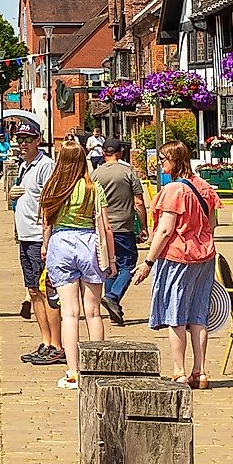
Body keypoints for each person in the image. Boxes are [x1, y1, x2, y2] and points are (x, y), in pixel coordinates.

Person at [132, 139, 221, 388]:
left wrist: (148, 261)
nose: (161, 164)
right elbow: (213, 225)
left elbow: (165, 230)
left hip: (178, 257)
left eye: (163, 159)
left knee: (176, 314)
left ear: (174, 160)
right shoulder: (204, 187)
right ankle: (200, 371)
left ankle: (179, 370)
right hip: (205, 256)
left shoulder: (173, 191)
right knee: (199, 314)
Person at [39, 142, 112, 390]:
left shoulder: (53, 187)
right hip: (89, 243)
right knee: (93, 312)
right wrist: (110, 259)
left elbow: (46, 223)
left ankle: (73, 371)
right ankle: (97, 368)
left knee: (69, 313)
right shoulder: (93, 188)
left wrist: (46, 246)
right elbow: (105, 225)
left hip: (60, 243)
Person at [12, 139, 62, 365]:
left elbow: (51, 201)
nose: (22, 144)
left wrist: (46, 239)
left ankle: (57, 345)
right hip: (25, 236)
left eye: (27, 140)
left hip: (37, 237)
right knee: (33, 290)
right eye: (20, 140)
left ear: (36, 141)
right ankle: (45, 341)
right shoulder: (24, 166)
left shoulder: (46, 166)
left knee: (46, 291)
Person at [90, 140, 146, 327]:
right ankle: (112, 296)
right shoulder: (129, 172)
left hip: (103, 228)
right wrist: (144, 226)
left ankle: (114, 308)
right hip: (123, 226)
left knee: (109, 266)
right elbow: (138, 202)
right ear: (120, 153)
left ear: (103, 152)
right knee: (128, 264)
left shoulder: (95, 174)